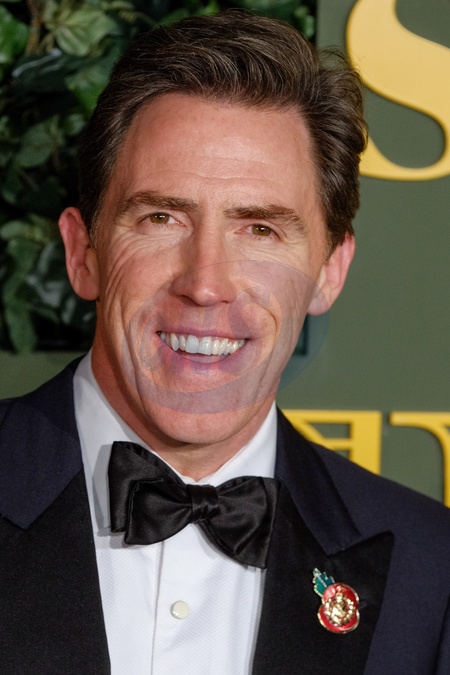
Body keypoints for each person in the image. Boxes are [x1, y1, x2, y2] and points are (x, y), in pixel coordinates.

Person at [1, 10, 449, 675]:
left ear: (329, 271)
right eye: (161, 217)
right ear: (82, 253)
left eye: (260, 229)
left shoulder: (432, 572)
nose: (206, 284)